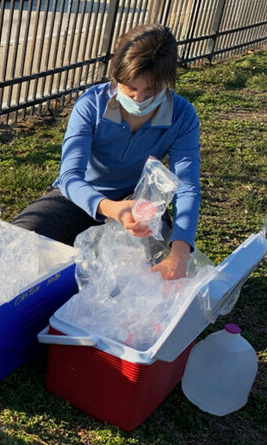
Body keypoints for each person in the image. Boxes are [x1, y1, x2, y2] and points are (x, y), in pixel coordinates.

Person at [12, 23, 200, 281]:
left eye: (152, 91)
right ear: (116, 76)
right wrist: (111, 209)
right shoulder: (91, 104)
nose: (139, 99)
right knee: (20, 239)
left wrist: (179, 253)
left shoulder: (183, 115)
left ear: (167, 81)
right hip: (80, 195)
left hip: (139, 203)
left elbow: (187, 186)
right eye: (130, 88)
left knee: (142, 270)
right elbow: (70, 177)